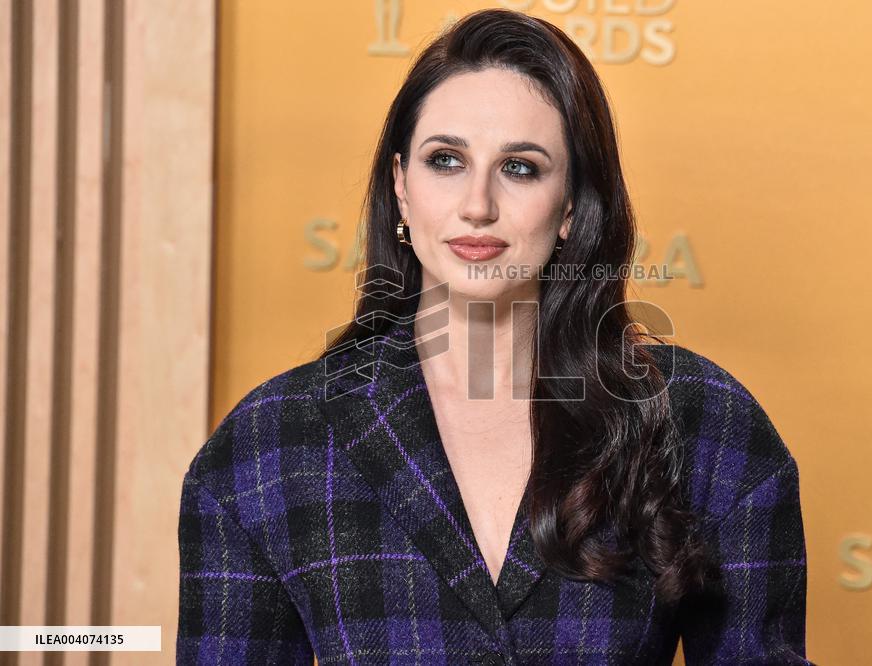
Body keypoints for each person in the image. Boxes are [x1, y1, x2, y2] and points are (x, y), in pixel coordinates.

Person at [177, 8, 810, 664]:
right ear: (400, 186)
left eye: (522, 167)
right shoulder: (269, 444)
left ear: (571, 206)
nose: (477, 204)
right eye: (445, 160)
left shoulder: (706, 423)